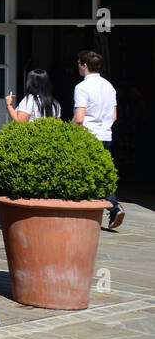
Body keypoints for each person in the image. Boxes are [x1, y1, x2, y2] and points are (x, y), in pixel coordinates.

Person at [73, 50, 122, 229]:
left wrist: (68, 129)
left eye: (79, 62)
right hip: (106, 135)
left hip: (88, 135)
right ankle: (113, 206)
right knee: (101, 173)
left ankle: (88, 211)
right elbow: (114, 116)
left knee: (83, 174)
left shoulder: (82, 87)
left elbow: (79, 118)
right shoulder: (109, 86)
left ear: (84, 65)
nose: (78, 65)